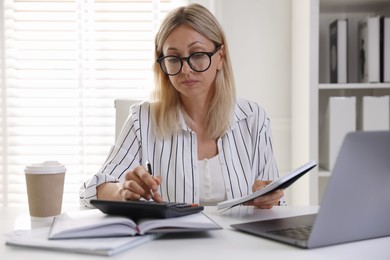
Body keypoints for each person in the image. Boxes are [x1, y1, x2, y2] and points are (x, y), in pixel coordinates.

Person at [79, 3, 285, 209]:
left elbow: (278, 201)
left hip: (239, 241)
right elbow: (91, 191)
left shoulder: (253, 118)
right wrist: (122, 191)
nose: (186, 69)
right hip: (169, 240)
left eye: (197, 55)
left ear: (220, 57)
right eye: (174, 58)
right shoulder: (142, 119)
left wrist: (268, 198)